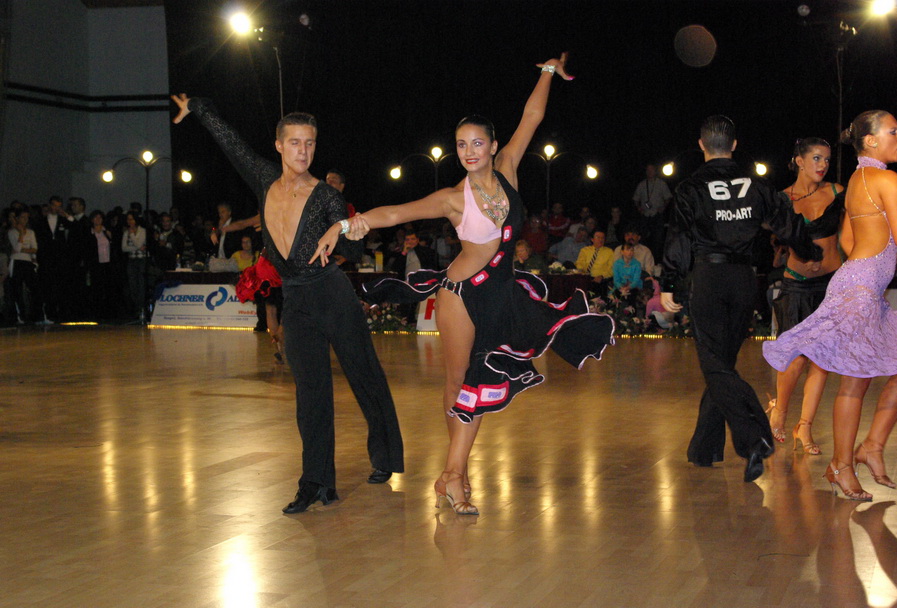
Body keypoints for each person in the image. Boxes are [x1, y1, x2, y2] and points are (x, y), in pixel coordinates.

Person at [312, 54, 614, 516]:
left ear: (493, 146)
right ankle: (454, 475)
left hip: (502, 294)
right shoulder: (454, 198)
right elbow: (395, 213)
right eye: (461, 145)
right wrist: (345, 225)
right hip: (460, 295)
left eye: (477, 143)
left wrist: (547, 71)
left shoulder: (509, 168)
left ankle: (454, 474)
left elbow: (532, 116)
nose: (469, 151)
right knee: (462, 382)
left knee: (478, 381)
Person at [171, 93, 404, 514]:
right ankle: (316, 481)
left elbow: (352, 251)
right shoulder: (264, 178)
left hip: (331, 294)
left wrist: (350, 234)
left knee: (364, 375)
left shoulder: (326, 196)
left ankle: (385, 456)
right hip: (295, 297)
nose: (303, 151)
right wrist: (199, 109)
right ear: (279, 145)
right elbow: (231, 143)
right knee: (310, 394)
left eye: (310, 143)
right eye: (295, 142)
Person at [661, 115, 822, 483]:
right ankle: (704, 448)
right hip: (744, 281)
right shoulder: (758, 186)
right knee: (722, 363)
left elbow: (679, 237)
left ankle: (755, 439)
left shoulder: (690, 188)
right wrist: (810, 251)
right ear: (734, 145)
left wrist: (669, 281)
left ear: (701, 145)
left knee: (715, 365)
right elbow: (788, 222)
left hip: (709, 278)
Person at [764, 110, 897, 501]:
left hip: (857, 285)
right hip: (860, 290)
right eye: (893, 131)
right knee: (854, 382)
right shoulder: (887, 179)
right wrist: (893, 251)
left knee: (896, 367)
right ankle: (843, 464)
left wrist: (877, 260)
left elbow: (847, 240)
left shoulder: (858, 181)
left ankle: (868, 449)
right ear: (870, 140)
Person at [765, 138, 844, 454]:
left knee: (821, 361)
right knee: (795, 359)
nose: (823, 165)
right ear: (799, 160)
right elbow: (782, 237)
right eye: (816, 158)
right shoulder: (782, 200)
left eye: (826, 159)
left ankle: (805, 427)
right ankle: (780, 411)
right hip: (796, 287)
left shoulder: (837, 192)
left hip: (831, 286)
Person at [632, 164, 672, 257]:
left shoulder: (661, 183)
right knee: (643, 237)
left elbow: (668, 197)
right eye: (648, 170)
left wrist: (663, 207)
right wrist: (638, 208)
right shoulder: (642, 184)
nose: (650, 172)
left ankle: (656, 258)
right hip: (645, 215)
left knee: (658, 239)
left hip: (657, 214)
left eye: (651, 170)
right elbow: (635, 199)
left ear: (655, 171)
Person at [121, 211, 147, 319]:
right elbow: (124, 248)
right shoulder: (125, 232)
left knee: (141, 284)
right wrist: (137, 247)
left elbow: (139, 243)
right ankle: (136, 307)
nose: (130, 221)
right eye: (128, 219)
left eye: (131, 219)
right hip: (131, 260)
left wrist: (132, 235)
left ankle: (142, 308)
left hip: (142, 260)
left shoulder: (143, 230)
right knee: (133, 285)